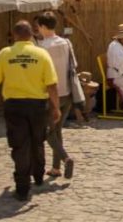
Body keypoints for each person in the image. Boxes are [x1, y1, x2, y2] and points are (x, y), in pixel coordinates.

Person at [0, 20, 61, 201]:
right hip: (37, 106)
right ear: (31, 35)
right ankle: (39, 175)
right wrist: (56, 107)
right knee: (37, 140)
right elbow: (51, 85)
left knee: (20, 146)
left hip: (14, 106)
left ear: (14, 35)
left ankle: (22, 188)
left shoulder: (5, 54)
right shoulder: (41, 54)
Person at [34, 12, 75, 179]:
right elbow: (74, 65)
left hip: (51, 95)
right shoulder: (66, 43)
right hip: (67, 92)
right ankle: (56, 168)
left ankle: (66, 159)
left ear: (43, 26)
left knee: (48, 132)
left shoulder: (42, 48)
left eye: (38, 27)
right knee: (57, 130)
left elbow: (39, 73)